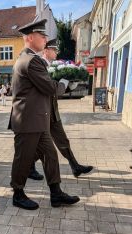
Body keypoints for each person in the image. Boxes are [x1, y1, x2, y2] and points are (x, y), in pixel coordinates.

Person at [8, 19, 79, 210]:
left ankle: (56, 194)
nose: (46, 38)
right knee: (23, 159)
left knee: (50, 155)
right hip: (28, 121)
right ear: (30, 38)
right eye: (42, 35)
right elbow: (50, 88)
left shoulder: (30, 59)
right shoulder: (30, 61)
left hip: (36, 120)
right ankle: (18, 194)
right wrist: (64, 84)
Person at [29, 39, 93, 180]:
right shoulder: (39, 66)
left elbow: (55, 90)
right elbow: (46, 89)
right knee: (42, 145)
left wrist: (69, 86)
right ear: (46, 51)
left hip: (53, 112)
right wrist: (62, 85)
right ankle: (28, 166)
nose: (57, 52)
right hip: (42, 113)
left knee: (62, 140)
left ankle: (75, 166)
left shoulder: (55, 67)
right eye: (54, 50)